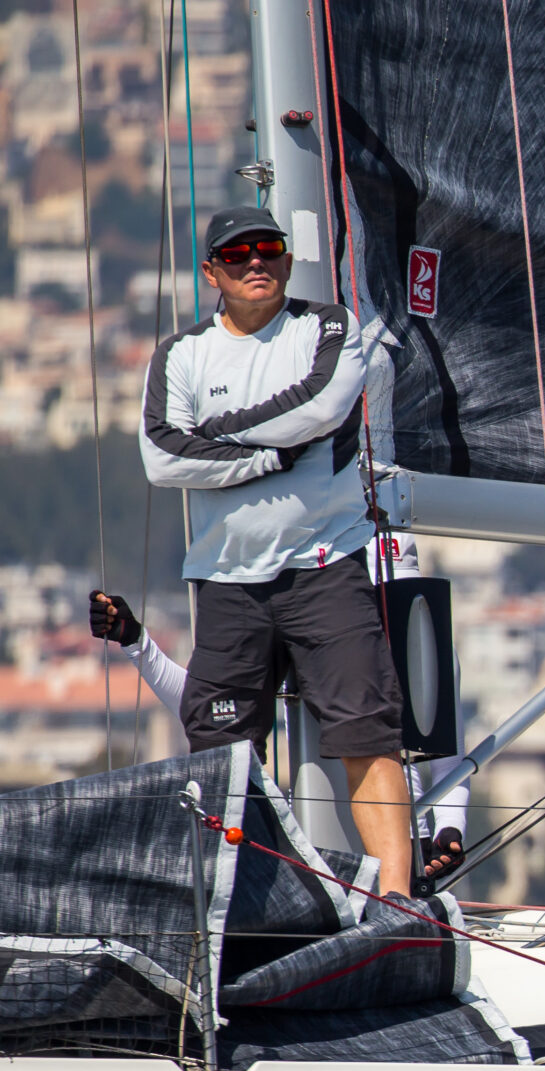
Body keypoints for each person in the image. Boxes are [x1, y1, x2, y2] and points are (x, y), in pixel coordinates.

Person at [138, 205, 413, 895]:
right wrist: (270, 457)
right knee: (222, 758)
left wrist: (218, 436)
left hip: (328, 567)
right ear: (212, 273)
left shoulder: (329, 325)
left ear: (288, 260)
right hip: (227, 581)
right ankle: (243, 905)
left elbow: (321, 409)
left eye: (268, 249)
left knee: (366, 734)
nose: (255, 262)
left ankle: (401, 904)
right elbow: (163, 457)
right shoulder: (183, 353)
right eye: (237, 256)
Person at [87, 585, 472, 887]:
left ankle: (395, 899)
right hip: (298, 866)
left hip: (406, 865)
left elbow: (445, 752)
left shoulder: (413, 623)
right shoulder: (292, 602)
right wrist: (137, 641)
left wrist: (449, 830)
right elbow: (213, 715)